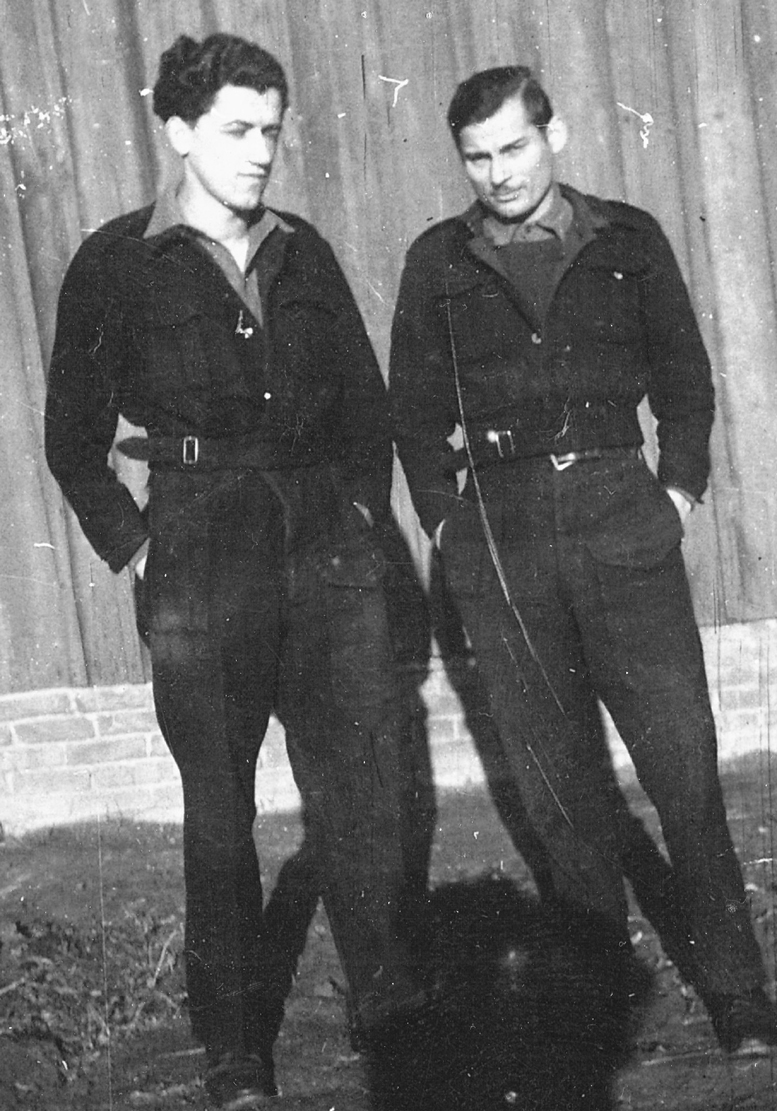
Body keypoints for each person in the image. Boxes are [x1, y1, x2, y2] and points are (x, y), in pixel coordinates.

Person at [45, 33, 421, 1108]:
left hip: (322, 538)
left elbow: (366, 409)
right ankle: (234, 1047)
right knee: (219, 808)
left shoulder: (303, 252)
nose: (261, 151)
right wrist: (138, 545)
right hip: (200, 545)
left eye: (272, 131)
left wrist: (357, 518)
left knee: (357, 784)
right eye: (237, 130)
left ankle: (390, 1004)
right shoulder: (117, 263)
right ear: (178, 132)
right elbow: (71, 439)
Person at [389, 64, 777, 1055]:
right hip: (504, 534)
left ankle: (738, 994)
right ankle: (603, 1005)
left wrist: (674, 496)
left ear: (552, 135)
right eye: (478, 157)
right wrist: (450, 529)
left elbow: (685, 380)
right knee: (557, 783)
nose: (500, 173)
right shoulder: (438, 261)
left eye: (515, 147)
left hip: (617, 510)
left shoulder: (627, 239)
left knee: (681, 767)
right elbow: (413, 414)